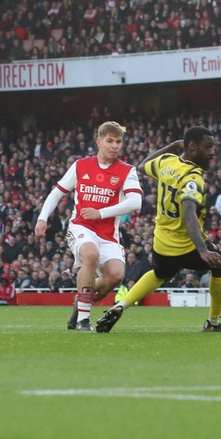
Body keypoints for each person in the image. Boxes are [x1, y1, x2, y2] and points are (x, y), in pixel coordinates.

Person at [95, 126, 221, 333]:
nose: (212, 152)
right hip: (186, 244)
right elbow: (189, 214)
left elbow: (142, 166)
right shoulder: (192, 178)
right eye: (208, 147)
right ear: (192, 147)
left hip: (161, 243)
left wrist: (173, 146)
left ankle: (121, 305)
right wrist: (202, 250)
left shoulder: (167, 162)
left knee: (161, 273)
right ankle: (213, 323)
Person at [35, 121, 143, 331]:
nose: (115, 146)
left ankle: (81, 302)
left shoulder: (127, 171)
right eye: (110, 141)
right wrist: (42, 218)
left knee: (115, 275)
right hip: (81, 226)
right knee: (91, 255)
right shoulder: (80, 165)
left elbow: (135, 203)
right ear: (99, 142)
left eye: (118, 141)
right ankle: (84, 319)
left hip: (109, 234)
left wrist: (100, 213)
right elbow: (57, 192)